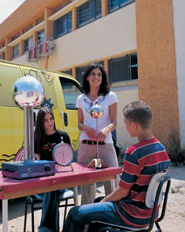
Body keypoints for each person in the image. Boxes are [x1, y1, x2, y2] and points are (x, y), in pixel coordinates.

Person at [62, 101, 171, 232]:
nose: (125, 126)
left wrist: (104, 203)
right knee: (97, 201)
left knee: (75, 213)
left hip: (130, 215)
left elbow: (122, 191)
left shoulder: (134, 152)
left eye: (126, 123)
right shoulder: (162, 149)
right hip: (150, 214)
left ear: (134, 125)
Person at [77, 63, 119, 205]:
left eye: (99, 74)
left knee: (112, 183)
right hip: (86, 147)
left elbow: (114, 122)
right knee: (88, 186)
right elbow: (79, 124)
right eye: (93, 74)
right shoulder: (81, 99)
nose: (96, 77)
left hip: (105, 146)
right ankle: (86, 224)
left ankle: (113, 221)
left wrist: (105, 130)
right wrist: (85, 128)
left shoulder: (110, 96)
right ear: (87, 77)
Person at [34, 107, 71, 232]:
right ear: (41, 122)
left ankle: (46, 228)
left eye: (51, 119)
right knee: (50, 186)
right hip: (42, 183)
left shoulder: (63, 136)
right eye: (46, 120)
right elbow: (36, 164)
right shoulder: (37, 139)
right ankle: (49, 228)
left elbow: (69, 161)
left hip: (61, 181)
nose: (50, 122)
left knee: (52, 186)